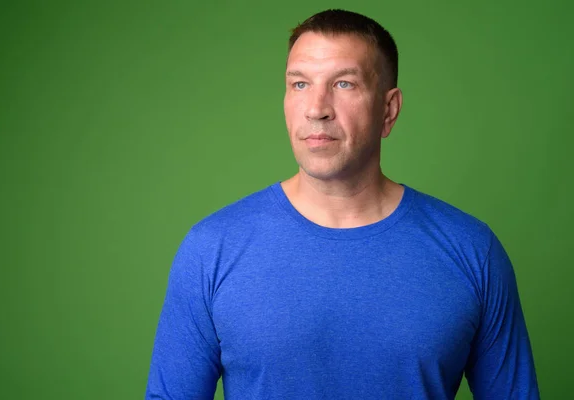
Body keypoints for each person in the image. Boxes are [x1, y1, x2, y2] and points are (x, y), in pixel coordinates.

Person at [145, 9, 540, 400]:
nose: (317, 108)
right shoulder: (211, 249)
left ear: (389, 110)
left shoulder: (472, 251)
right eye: (300, 84)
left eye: (344, 84)